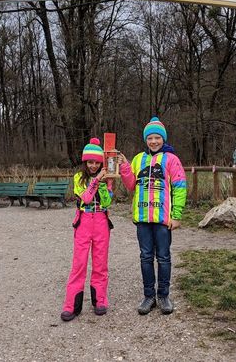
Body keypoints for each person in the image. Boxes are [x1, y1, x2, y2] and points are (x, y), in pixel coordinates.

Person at [118, 117, 187, 315]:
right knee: (145, 257)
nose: (154, 141)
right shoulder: (139, 159)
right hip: (142, 218)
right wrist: (124, 166)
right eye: (150, 138)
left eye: (157, 138)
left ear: (163, 139)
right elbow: (131, 185)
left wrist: (177, 215)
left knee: (163, 258)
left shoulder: (172, 160)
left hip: (163, 220)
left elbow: (180, 187)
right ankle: (149, 296)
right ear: (146, 140)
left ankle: (163, 295)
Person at [61, 138, 114, 321]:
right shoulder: (78, 177)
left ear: (101, 162)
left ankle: (100, 300)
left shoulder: (107, 178)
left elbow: (107, 202)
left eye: (97, 162)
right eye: (90, 162)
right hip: (83, 221)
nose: (93, 165)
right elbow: (86, 198)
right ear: (85, 162)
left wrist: (103, 184)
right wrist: (96, 181)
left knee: (100, 263)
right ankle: (71, 305)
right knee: (79, 264)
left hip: (101, 221)